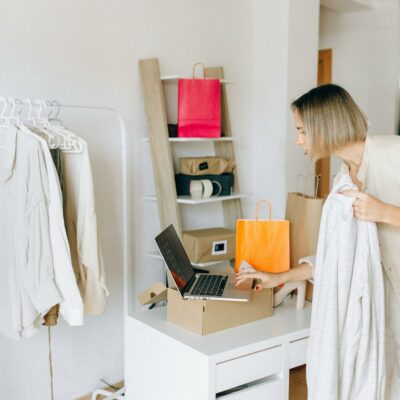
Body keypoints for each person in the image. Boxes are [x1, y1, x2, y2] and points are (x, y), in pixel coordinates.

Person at [235, 84, 400, 399]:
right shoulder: (343, 180)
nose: (298, 140)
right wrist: (279, 278)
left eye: (301, 130)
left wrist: (386, 212)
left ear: (324, 125)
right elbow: (334, 258)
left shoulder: (393, 153)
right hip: (384, 303)